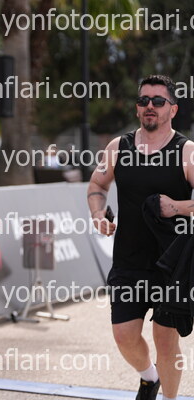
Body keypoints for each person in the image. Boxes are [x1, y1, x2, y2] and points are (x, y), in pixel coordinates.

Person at [87, 75, 194, 400]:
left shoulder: (186, 151)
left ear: (172, 109)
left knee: (166, 341)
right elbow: (97, 185)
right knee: (124, 335)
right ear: (137, 108)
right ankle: (150, 377)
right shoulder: (119, 147)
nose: (150, 106)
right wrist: (97, 213)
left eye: (158, 101)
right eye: (143, 100)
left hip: (172, 265)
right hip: (129, 261)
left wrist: (177, 206)